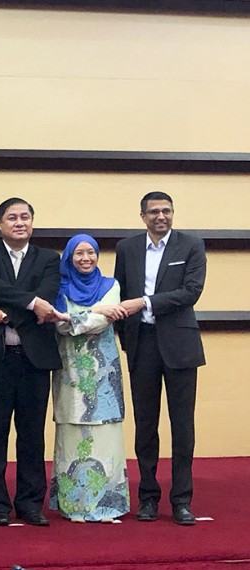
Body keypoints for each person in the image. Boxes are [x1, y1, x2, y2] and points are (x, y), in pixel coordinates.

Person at [0, 198, 64, 527]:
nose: (19, 222)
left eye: (25, 217)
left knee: (32, 435)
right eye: (12, 217)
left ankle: (30, 503)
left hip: (34, 360)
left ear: (32, 223)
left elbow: (47, 299)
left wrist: (4, 315)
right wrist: (31, 303)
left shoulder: (49, 259)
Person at [114, 192, 206, 526]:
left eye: (166, 210)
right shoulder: (127, 248)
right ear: (143, 216)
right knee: (145, 425)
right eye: (154, 211)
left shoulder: (191, 245)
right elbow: (120, 294)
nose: (161, 216)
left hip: (180, 344)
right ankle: (148, 497)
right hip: (142, 345)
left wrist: (146, 302)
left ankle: (181, 500)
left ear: (173, 213)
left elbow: (191, 292)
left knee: (182, 426)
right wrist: (127, 339)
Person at [50, 234, 130, 523]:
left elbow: (101, 323)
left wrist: (76, 315)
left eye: (91, 252)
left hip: (104, 371)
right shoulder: (59, 287)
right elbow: (59, 325)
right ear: (69, 257)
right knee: (72, 432)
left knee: (107, 435)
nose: (86, 258)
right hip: (70, 371)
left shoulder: (111, 285)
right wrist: (95, 309)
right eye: (79, 253)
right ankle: (75, 505)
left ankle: (107, 504)